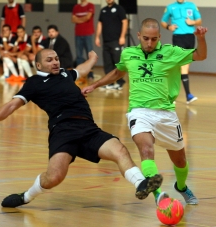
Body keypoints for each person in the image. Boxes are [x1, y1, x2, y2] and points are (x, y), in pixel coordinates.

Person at [0, 48, 163, 208]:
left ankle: (140, 184)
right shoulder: (34, 83)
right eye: (49, 60)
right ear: (39, 66)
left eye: (56, 59)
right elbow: (12, 105)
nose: (55, 62)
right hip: (63, 131)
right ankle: (26, 197)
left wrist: (92, 59)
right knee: (54, 177)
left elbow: (80, 70)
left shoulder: (64, 74)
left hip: (88, 128)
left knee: (120, 150)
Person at [81, 18, 208, 205]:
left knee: (180, 160)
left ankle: (181, 186)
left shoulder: (170, 52)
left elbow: (200, 55)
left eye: (154, 39)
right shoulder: (129, 53)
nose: (149, 43)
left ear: (160, 37)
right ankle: (158, 196)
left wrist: (201, 39)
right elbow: (118, 72)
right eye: (146, 38)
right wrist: (95, 85)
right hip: (139, 111)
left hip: (166, 113)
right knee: (146, 149)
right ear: (139, 35)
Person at [161, 0, 202, 104]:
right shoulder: (171, 7)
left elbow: (199, 20)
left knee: (186, 65)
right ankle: (183, 95)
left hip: (190, 37)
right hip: (178, 37)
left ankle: (186, 95)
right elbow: (163, 21)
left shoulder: (191, 6)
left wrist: (192, 22)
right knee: (179, 65)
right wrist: (168, 27)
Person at [95, 0, 127, 90]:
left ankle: (120, 82)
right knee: (107, 63)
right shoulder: (103, 10)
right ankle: (110, 83)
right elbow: (100, 24)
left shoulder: (119, 9)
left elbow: (125, 22)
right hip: (106, 41)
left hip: (116, 40)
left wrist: (122, 36)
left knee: (117, 63)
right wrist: (97, 37)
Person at [72, 0, 95, 79]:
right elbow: (73, 19)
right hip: (78, 34)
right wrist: (83, 19)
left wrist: (78, 19)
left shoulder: (90, 5)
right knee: (79, 56)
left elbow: (88, 17)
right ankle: (80, 75)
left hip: (88, 34)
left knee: (90, 55)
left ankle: (90, 74)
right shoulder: (76, 7)